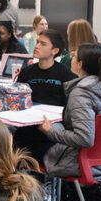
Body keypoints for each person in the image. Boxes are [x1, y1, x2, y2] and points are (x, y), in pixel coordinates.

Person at [40, 43, 101, 186]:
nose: (71, 59)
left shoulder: (82, 92)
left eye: (74, 56)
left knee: (29, 145)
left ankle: (44, 193)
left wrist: (50, 132)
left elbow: (84, 138)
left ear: (80, 64)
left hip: (77, 161)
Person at [13, 29, 77, 162]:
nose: (36, 46)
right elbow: (18, 98)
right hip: (27, 121)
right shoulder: (26, 72)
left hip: (52, 123)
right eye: (37, 42)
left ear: (54, 51)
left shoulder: (66, 75)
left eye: (43, 44)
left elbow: (72, 105)